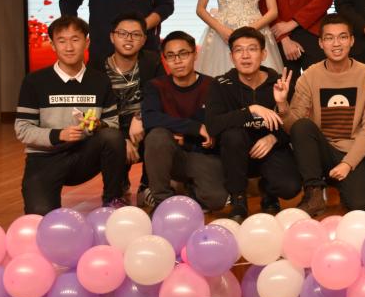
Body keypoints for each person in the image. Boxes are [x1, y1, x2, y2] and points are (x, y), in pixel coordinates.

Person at [14, 16, 125, 214]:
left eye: (75, 39)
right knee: (41, 216)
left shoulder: (100, 81)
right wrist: (59, 134)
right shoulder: (34, 81)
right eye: (62, 41)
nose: (69, 47)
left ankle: (113, 200)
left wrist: (98, 125)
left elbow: (113, 124)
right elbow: (22, 129)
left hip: (84, 156)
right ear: (53, 45)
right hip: (45, 159)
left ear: (86, 43)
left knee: (112, 137)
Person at [275, 13, 365, 216]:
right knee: (303, 126)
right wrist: (282, 104)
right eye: (329, 38)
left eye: (342, 37)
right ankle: (314, 192)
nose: (336, 44)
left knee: (362, 207)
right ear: (321, 43)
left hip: (351, 151)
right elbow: (293, 128)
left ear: (352, 41)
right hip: (320, 152)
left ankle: (342, 184)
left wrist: (347, 164)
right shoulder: (309, 76)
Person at [205, 27, 301, 222]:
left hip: (271, 149)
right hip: (235, 153)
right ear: (231, 56)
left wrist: (274, 137)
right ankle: (238, 198)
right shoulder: (220, 84)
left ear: (263, 54)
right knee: (233, 136)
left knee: (290, 187)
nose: (245, 56)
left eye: (252, 49)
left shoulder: (279, 83)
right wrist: (251, 110)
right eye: (239, 50)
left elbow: (296, 126)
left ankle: (269, 191)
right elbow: (213, 125)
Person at [141, 31, 227, 211]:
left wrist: (185, 137)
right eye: (170, 56)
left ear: (195, 54)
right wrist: (195, 128)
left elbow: (217, 126)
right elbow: (150, 118)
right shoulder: (155, 86)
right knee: (157, 136)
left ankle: (190, 189)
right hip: (171, 156)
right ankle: (162, 200)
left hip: (201, 155)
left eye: (183, 54)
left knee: (216, 200)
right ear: (164, 59)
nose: (177, 61)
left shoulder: (212, 86)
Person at [103, 12, 164, 207]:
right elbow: (95, 110)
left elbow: (161, 97)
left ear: (144, 39)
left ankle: (147, 186)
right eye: (122, 33)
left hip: (142, 125)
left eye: (136, 34)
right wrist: (121, 138)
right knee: (110, 140)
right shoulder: (99, 66)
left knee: (159, 131)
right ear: (112, 37)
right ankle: (115, 189)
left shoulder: (152, 61)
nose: (129, 39)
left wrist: (140, 117)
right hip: (112, 127)